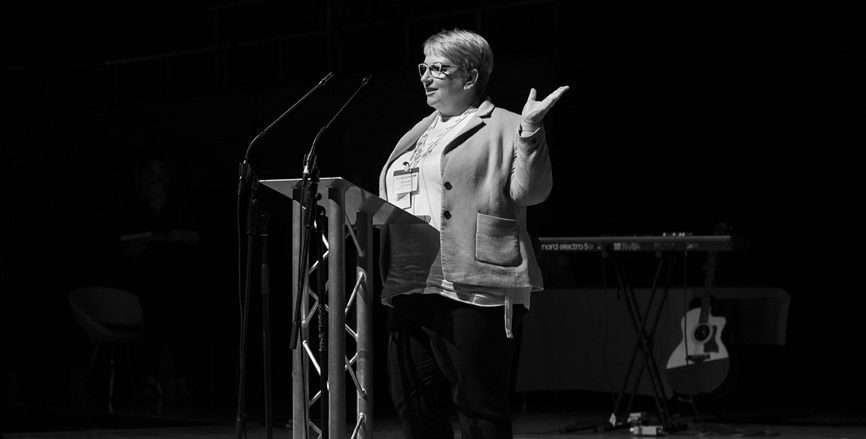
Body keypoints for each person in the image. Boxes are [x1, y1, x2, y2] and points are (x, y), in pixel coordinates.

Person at [378, 28, 569, 439]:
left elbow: (531, 193)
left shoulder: (508, 125)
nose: (426, 76)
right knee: (412, 404)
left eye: (439, 68)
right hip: (412, 282)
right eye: (423, 67)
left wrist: (532, 134)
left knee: (479, 409)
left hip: (475, 283)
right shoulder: (417, 134)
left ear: (470, 76)